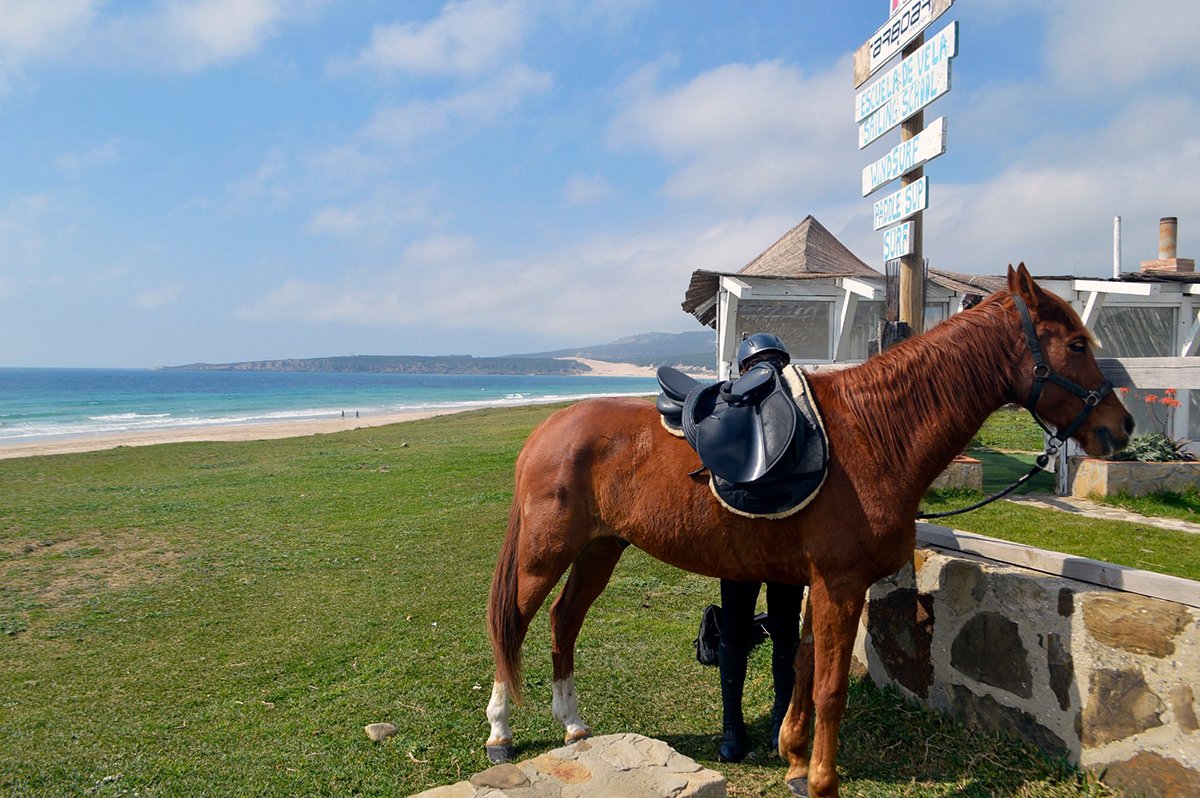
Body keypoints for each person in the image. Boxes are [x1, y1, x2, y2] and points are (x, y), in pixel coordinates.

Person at [716, 333, 805, 762]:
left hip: (764, 539)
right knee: (763, 629)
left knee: (763, 629)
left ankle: (753, 724)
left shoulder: (795, 418)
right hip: (766, 536)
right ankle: (750, 723)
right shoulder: (738, 414)